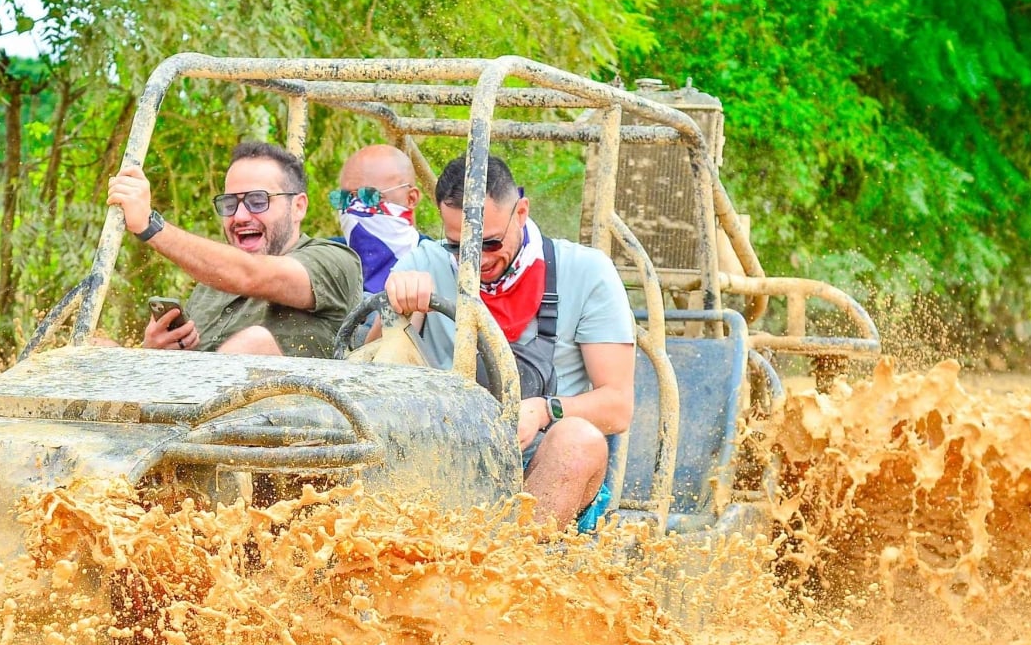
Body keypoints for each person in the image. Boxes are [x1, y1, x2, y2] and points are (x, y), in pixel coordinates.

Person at [384, 155, 635, 528]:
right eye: (459, 246)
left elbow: (617, 407)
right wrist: (398, 307)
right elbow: (370, 371)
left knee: (578, 439)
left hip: (541, 474)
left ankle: (511, 569)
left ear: (521, 212)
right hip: (438, 466)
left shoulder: (586, 272)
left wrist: (543, 410)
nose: (476, 260)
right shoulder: (424, 264)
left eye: (489, 242)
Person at [107, 140, 361, 357]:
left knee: (253, 343)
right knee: (96, 346)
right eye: (230, 203)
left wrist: (150, 226)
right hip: (190, 407)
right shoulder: (212, 285)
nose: (239, 216)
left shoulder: (336, 261)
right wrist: (155, 351)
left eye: (257, 200)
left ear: (298, 207)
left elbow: (251, 275)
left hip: (290, 411)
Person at [332, 144, 425, 293]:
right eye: (346, 198)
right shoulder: (329, 257)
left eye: (370, 197)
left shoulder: (436, 264)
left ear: (411, 199)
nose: (353, 209)